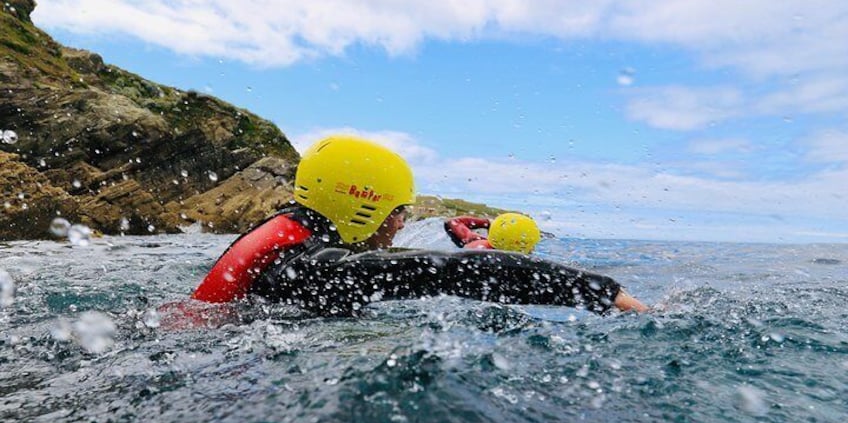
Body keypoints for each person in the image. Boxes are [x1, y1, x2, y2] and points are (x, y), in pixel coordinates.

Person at [190, 135, 648, 315]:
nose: (402, 223)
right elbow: (456, 271)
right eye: (397, 211)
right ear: (362, 208)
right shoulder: (310, 269)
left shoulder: (290, 241)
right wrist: (601, 293)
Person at [445, 212, 541, 252]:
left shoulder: (475, 243)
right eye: (533, 244)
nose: (533, 248)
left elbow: (453, 222)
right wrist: (487, 223)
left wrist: (489, 223)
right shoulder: (475, 242)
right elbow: (451, 222)